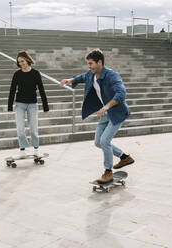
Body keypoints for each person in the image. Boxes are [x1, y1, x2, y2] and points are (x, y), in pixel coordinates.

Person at [60, 49, 134, 183]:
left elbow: (121, 93)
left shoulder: (112, 75)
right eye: (88, 64)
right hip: (105, 113)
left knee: (105, 141)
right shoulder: (91, 74)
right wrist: (70, 80)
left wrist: (106, 106)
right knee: (98, 142)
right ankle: (124, 157)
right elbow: (82, 77)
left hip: (116, 112)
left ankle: (108, 171)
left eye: (91, 64)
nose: (89, 67)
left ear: (100, 62)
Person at [8, 51, 49, 159]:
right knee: (20, 129)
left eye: (22, 61)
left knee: (33, 130)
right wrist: (9, 106)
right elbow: (12, 90)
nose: (21, 63)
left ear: (27, 60)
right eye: (19, 62)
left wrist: (45, 105)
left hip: (32, 105)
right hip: (20, 104)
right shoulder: (17, 74)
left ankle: (36, 149)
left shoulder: (35, 73)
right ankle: (22, 150)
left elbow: (41, 89)